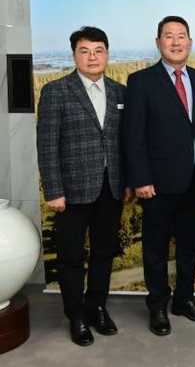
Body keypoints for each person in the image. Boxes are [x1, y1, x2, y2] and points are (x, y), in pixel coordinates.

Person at [37, 26, 129, 346]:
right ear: (74, 54)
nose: (92, 57)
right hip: (72, 190)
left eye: (98, 51)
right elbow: (47, 145)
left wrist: (127, 182)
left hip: (111, 187)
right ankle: (75, 315)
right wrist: (53, 190)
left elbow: (124, 143)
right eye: (85, 51)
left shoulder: (120, 92)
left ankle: (97, 307)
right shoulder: (56, 91)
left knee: (104, 252)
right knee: (70, 256)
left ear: (107, 54)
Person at [123, 15, 195, 336]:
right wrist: (140, 178)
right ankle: (158, 305)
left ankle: (184, 300)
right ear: (158, 42)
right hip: (157, 183)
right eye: (169, 36)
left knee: (190, 246)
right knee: (156, 249)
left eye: (181, 36)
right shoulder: (141, 81)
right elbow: (133, 135)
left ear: (190, 42)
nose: (176, 42)